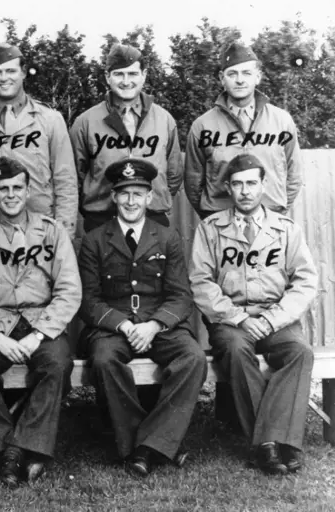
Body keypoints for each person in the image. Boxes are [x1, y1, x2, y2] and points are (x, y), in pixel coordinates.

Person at [77, 158, 207, 476]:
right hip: (111, 326)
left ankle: (145, 448)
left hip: (157, 324)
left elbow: (180, 296)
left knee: (193, 358)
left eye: (138, 193)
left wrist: (154, 324)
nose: (131, 201)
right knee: (106, 360)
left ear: (150, 197)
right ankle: (156, 443)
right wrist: (121, 323)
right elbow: (88, 299)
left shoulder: (167, 237)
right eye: (124, 194)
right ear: (113, 197)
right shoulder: (94, 239)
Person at [189, 153, 317, 475]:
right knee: (235, 350)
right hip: (231, 321)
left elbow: (305, 282)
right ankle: (275, 445)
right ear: (228, 189)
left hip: (276, 318)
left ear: (263, 185)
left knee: (300, 353)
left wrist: (271, 319)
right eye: (237, 184)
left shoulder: (286, 229)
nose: (244, 191)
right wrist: (241, 319)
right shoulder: (210, 229)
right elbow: (201, 283)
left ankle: (268, 442)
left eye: (251, 183)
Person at [0, 156, 80, 487]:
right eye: (3, 189)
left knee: (56, 364)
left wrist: (38, 335)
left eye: (17, 188)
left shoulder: (52, 233)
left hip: (42, 321)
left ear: (28, 192)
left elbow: (69, 291)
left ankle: (19, 449)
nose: (10, 195)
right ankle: (3, 449)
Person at [0, 43, 77, 251]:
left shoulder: (50, 120)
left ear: (24, 73)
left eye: (11, 71)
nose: (4, 77)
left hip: (40, 231)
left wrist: (64, 236)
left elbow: (66, 181)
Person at [70, 44, 182, 233]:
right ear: (107, 77)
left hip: (152, 219)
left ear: (144, 75)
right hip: (102, 220)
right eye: (119, 74)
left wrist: (150, 200)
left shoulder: (164, 119)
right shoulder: (85, 122)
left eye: (132, 74)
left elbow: (174, 173)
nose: (126, 81)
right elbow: (75, 176)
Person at [185, 42, 303, 219]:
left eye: (246, 73)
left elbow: (294, 175)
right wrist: (213, 217)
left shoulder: (281, 121)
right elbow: (193, 181)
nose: (240, 80)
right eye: (232, 73)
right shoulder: (202, 126)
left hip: (270, 222)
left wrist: (277, 211)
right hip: (221, 224)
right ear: (221, 78)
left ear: (258, 77)